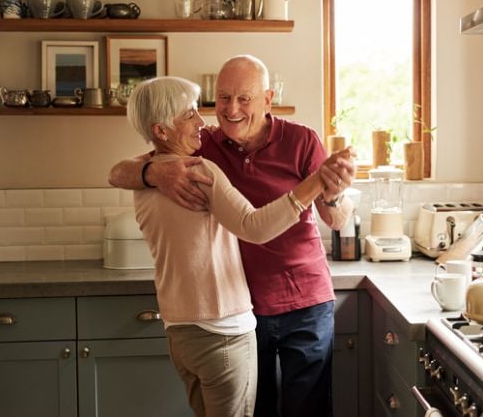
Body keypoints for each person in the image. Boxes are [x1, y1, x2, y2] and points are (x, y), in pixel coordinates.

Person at [109, 55, 356, 417]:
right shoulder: (201, 146)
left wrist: (332, 192)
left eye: (245, 98)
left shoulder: (302, 140)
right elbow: (118, 172)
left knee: (308, 409)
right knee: (257, 410)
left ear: (268, 99)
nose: (231, 109)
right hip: (242, 309)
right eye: (224, 98)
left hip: (303, 301)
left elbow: (335, 218)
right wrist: (153, 174)